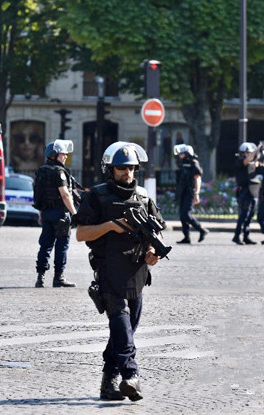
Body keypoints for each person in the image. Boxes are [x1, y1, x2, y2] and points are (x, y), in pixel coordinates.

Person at [74, 141, 166, 402]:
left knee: (128, 326)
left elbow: (155, 231)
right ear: (110, 169)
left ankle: (108, 382)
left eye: (132, 168)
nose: (128, 173)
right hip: (108, 268)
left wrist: (153, 253)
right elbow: (81, 234)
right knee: (120, 321)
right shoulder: (96, 195)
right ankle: (130, 375)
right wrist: (112, 225)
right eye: (122, 168)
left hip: (136, 271)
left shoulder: (144, 196)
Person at [33, 139, 78, 288]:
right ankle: (59, 277)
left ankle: (40, 277)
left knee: (45, 245)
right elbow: (65, 195)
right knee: (61, 246)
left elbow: (40, 195)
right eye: (63, 154)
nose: (65, 156)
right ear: (55, 155)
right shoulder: (59, 172)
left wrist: (41, 214)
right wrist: (75, 213)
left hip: (46, 213)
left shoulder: (42, 171)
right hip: (60, 214)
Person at [174, 144, 208, 244]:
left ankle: (202, 230)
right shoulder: (182, 164)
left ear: (187, 153)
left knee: (186, 214)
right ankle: (186, 237)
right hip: (182, 193)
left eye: (181, 153)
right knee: (182, 216)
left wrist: (197, 193)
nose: (179, 155)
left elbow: (197, 178)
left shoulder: (194, 163)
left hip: (190, 192)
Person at [233, 142, 262, 245]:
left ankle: (246, 236)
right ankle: (237, 236)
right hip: (245, 190)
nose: (249, 154)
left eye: (249, 152)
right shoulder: (240, 161)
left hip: (254, 190)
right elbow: (247, 160)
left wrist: (260, 154)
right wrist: (257, 150)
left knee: (250, 215)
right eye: (247, 152)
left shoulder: (254, 162)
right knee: (244, 214)